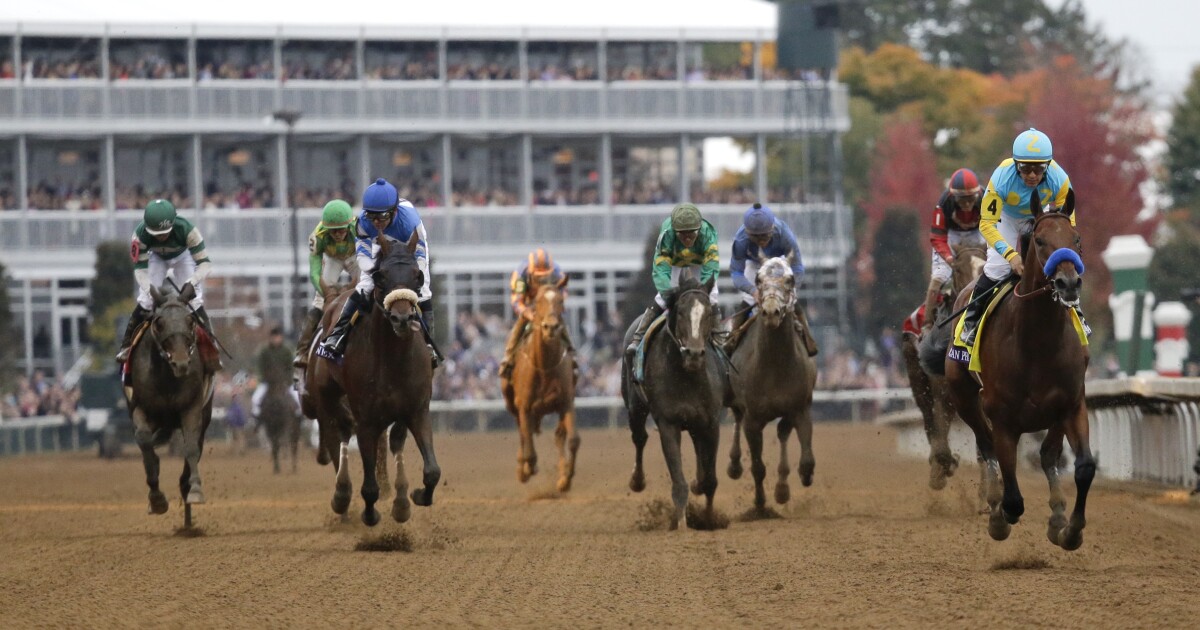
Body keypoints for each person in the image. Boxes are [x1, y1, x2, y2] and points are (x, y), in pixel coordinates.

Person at [958, 128, 1079, 348]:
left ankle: (1076, 311)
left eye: (1039, 168)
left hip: (1038, 215)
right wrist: (1011, 255)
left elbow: (1067, 225)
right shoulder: (1002, 178)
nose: (1032, 175)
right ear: (1016, 165)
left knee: (1061, 265)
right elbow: (986, 224)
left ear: (1048, 166)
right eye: (1025, 168)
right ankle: (971, 321)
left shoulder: (1060, 180)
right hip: (1006, 217)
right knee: (997, 268)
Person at [318, 178, 440, 366]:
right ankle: (337, 335)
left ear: (394, 212)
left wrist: (414, 277)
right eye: (372, 216)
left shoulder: (410, 223)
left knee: (423, 291)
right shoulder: (364, 223)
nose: (376, 222)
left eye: (382, 216)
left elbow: (420, 256)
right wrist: (374, 273)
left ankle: (429, 344)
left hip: (409, 245)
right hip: (377, 244)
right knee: (364, 286)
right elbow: (364, 254)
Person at [115, 199, 221, 372]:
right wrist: (152, 291)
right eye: (157, 234)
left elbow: (205, 264)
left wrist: (191, 283)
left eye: (165, 232)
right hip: (156, 257)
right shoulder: (139, 235)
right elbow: (140, 271)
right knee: (145, 301)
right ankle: (126, 347)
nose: (161, 237)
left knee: (195, 301)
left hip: (183, 256)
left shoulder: (188, 230)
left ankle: (212, 349)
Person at [625, 202, 720, 360]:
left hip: (699, 262)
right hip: (675, 262)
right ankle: (638, 336)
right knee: (662, 299)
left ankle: (720, 337)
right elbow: (661, 269)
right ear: (675, 231)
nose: (687, 238)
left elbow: (711, 267)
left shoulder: (708, 234)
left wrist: (704, 290)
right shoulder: (667, 234)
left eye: (691, 233)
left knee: (712, 295)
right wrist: (667, 292)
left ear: (699, 229)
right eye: (682, 234)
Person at [728, 202, 819, 356]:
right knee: (747, 302)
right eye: (756, 238)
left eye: (764, 236)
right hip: (755, 265)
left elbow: (797, 268)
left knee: (793, 303)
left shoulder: (785, 234)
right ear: (748, 233)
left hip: (779, 263)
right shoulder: (741, 240)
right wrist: (753, 291)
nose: (761, 241)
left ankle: (808, 340)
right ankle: (731, 342)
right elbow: (736, 272)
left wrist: (790, 290)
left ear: (772, 229)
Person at [293, 199, 359, 369]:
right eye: (333, 231)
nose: (337, 234)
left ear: (349, 225)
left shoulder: (360, 229)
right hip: (332, 260)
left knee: (369, 288)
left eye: (341, 230)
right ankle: (302, 350)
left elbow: (369, 264)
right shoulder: (317, 236)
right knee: (318, 302)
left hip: (356, 257)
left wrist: (353, 285)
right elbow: (314, 273)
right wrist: (327, 293)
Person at [923, 168, 986, 333]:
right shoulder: (944, 203)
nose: (966, 204)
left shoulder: (987, 199)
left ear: (977, 193)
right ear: (953, 196)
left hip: (980, 232)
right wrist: (950, 259)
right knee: (939, 276)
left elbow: (996, 228)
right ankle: (927, 325)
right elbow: (937, 237)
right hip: (950, 236)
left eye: (970, 198)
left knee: (995, 269)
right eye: (961, 199)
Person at [498, 248, 576, 378]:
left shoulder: (557, 272)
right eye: (539, 277)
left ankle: (571, 353)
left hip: (548, 304)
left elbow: (563, 291)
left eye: (545, 275)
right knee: (521, 323)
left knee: (559, 321)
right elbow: (517, 301)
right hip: (529, 303)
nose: (543, 279)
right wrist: (528, 313)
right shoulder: (520, 276)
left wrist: (556, 304)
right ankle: (509, 356)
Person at [251, 326, 298, 420]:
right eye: (274, 337)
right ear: (271, 338)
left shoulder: (287, 350)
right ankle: (256, 415)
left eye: (278, 337)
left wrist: (288, 380)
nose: (276, 339)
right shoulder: (264, 350)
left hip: (285, 382)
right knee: (255, 398)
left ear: (281, 337)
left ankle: (298, 414)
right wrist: (263, 378)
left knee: (297, 396)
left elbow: (291, 366)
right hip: (267, 382)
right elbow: (260, 366)